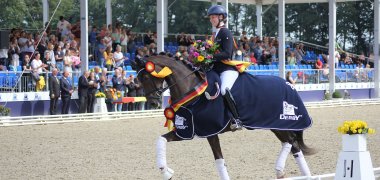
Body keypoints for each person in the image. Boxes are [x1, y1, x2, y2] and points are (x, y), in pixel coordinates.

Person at [207, 5, 242, 130]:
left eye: (214, 17)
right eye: (210, 17)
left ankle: (236, 119)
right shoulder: (215, 34)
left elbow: (227, 53)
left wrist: (209, 56)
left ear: (221, 17)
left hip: (227, 69)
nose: (211, 19)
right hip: (216, 69)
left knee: (223, 90)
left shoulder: (225, 32)